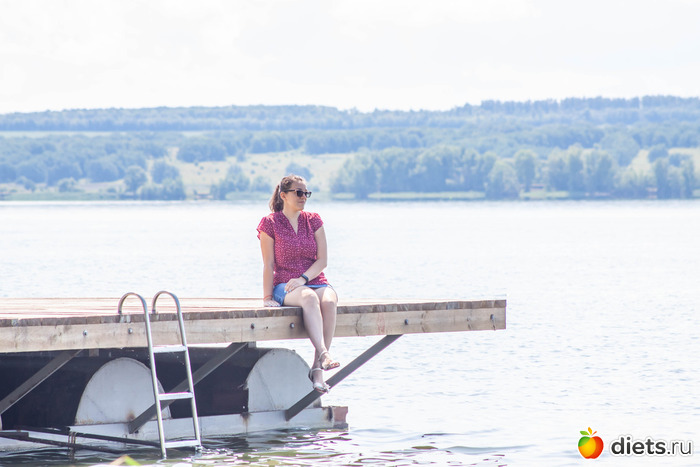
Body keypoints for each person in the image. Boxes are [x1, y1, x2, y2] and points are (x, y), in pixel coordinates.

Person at [256, 174, 339, 393]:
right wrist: (267, 298)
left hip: (314, 280)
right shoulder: (270, 223)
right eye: (299, 193)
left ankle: (317, 370)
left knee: (329, 301)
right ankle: (324, 354)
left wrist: (303, 278)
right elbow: (268, 264)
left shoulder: (314, 220)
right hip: (285, 284)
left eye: (306, 193)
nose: (303, 197)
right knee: (309, 298)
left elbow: (322, 261)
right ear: (284, 195)